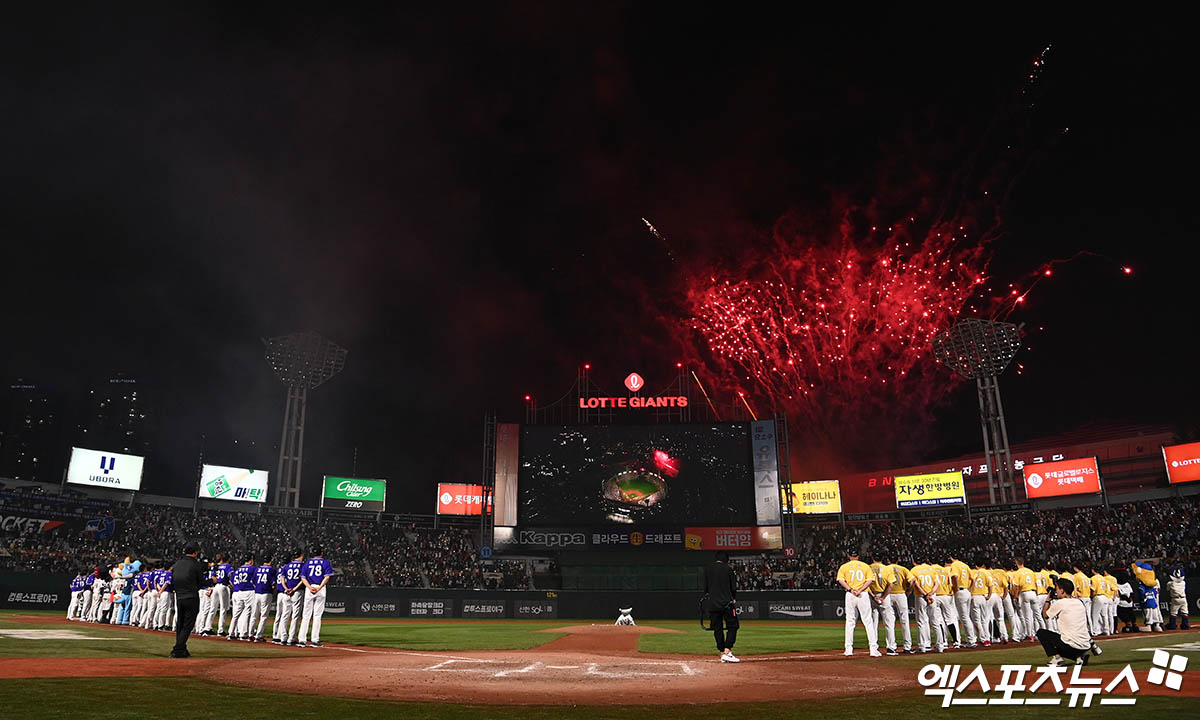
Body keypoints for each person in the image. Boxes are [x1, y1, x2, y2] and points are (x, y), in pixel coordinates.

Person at [1038, 576, 1092, 667]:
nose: (1056, 591)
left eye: (1057, 589)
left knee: (1041, 633)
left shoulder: (1060, 603)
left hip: (1071, 645)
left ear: (1062, 591)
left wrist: (1048, 600)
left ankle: (1058, 659)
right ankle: (1079, 657)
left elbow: (1045, 615)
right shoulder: (1079, 602)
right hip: (1086, 645)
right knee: (1067, 639)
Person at [836, 549, 881, 657]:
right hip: (863, 594)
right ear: (859, 555)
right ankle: (873, 649)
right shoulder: (865, 566)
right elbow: (870, 580)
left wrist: (851, 590)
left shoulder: (844, 567)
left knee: (850, 621)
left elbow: (841, 580)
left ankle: (848, 649)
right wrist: (860, 590)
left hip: (850, 595)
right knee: (868, 621)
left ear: (848, 555)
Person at [169, 541, 208, 658]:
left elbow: (173, 580)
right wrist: (212, 581)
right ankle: (177, 649)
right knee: (187, 625)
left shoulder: (177, 564)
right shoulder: (195, 565)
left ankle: (182, 648)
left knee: (180, 623)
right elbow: (201, 583)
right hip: (191, 596)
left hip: (179, 597)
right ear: (195, 552)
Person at [702, 551, 739, 663]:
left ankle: (722, 652)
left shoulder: (708, 569)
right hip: (726, 603)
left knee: (717, 628)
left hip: (713, 603)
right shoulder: (728, 569)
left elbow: (705, 588)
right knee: (733, 626)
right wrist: (733, 597)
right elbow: (733, 586)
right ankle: (727, 651)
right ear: (726, 559)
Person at [294, 545, 333, 648]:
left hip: (309, 589)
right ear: (321, 553)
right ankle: (315, 640)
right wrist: (319, 587)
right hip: (320, 589)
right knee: (317, 616)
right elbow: (327, 577)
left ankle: (302, 640)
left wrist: (310, 587)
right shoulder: (325, 562)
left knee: (306, 616)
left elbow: (303, 578)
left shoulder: (307, 563)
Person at [880, 554, 913, 655]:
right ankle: (907, 647)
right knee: (905, 621)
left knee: (889, 621)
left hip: (888, 594)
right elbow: (912, 581)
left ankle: (891, 647)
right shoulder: (903, 569)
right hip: (901, 594)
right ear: (898, 560)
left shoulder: (885, 568)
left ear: (888, 559)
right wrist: (909, 591)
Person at [910, 557, 944, 652]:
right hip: (933, 596)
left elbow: (915, 584)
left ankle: (922, 646)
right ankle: (940, 646)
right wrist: (931, 593)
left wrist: (925, 595)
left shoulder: (914, 570)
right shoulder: (931, 569)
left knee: (921, 621)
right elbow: (937, 583)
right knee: (935, 621)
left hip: (921, 596)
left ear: (914, 561)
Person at [275, 551, 305, 645]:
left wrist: (286, 589)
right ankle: (291, 638)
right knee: (295, 616)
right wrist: (294, 589)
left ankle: (283, 638)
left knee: (285, 615)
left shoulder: (286, 566)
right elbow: (303, 579)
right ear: (301, 555)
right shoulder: (303, 565)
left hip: (286, 593)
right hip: (297, 592)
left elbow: (282, 580)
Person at [202, 552, 233, 636]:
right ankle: (221, 630)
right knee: (223, 609)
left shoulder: (216, 566)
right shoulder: (228, 566)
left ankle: (207, 628)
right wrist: (232, 584)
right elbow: (230, 575)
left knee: (212, 608)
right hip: (223, 587)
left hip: (216, 587)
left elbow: (213, 578)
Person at [949, 554, 977, 648]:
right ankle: (971, 639)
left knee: (964, 617)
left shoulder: (955, 565)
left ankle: (971, 640)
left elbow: (955, 576)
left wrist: (956, 588)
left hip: (960, 591)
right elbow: (974, 578)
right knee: (966, 617)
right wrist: (970, 589)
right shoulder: (965, 565)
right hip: (966, 591)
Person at [229, 554, 257, 641]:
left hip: (239, 592)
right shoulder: (253, 568)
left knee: (236, 614)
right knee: (247, 612)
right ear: (251, 560)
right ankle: (243, 633)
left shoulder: (238, 570)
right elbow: (256, 581)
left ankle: (231, 633)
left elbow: (232, 581)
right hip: (249, 591)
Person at [251, 558, 275, 642]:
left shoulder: (257, 569)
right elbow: (273, 584)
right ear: (271, 560)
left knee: (254, 614)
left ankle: (250, 634)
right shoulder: (271, 569)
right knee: (263, 615)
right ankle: (259, 635)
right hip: (266, 593)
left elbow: (253, 582)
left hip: (257, 593)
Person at [1014, 558, 1038, 641]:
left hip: (1024, 593)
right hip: (1033, 593)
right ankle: (1041, 633)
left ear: (1016, 563)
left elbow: (1017, 586)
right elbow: (1036, 583)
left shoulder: (1017, 573)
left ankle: (1030, 635)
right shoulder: (1030, 571)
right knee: (1038, 615)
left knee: (1027, 616)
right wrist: (1036, 593)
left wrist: (1016, 596)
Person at [1090, 566, 1114, 636]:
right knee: (1104, 615)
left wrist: (1091, 596)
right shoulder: (1103, 578)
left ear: (1093, 570)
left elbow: (1093, 589)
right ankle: (1107, 630)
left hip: (1098, 596)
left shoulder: (1093, 578)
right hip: (1105, 596)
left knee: (1095, 615)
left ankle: (1095, 631)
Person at [1165, 563, 1189, 630]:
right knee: (1185, 612)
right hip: (1183, 598)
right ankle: (1185, 625)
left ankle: (1172, 625)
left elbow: (1167, 589)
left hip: (1175, 599)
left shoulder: (1170, 583)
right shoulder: (1183, 582)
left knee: (1174, 612)